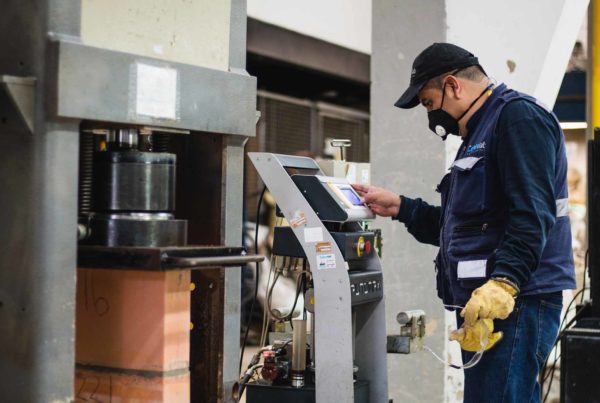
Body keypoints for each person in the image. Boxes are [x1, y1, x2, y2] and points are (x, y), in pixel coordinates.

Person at [353, 43, 576, 403]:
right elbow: (466, 225)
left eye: (428, 102)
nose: (430, 116)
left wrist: (504, 283)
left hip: (516, 300)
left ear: (453, 86)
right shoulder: (478, 133)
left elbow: (532, 214)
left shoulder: (517, 118)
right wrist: (401, 207)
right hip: (486, 304)